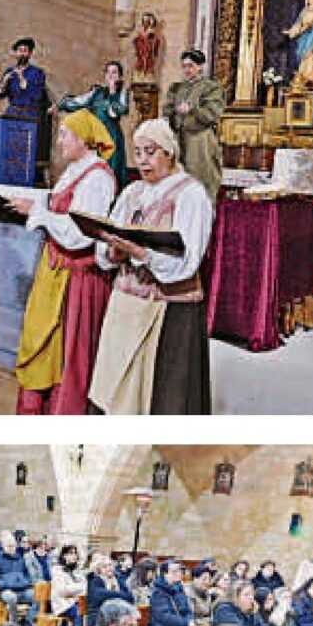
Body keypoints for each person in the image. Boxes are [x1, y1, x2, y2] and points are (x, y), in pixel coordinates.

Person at [89, 118, 214, 415]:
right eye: (138, 152)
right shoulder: (132, 192)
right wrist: (113, 251)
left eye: (151, 151)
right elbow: (105, 247)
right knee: (115, 387)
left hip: (168, 308)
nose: (143, 160)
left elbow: (188, 261)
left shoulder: (191, 194)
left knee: (161, 397)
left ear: (169, 153)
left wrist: (142, 254)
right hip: (126, 305)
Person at [11, 110, 116, 415]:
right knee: (43, 342)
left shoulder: (97, 177)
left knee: (69, 352)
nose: (58, 143)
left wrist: (38, 213)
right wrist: (36, 207)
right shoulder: (75, 170)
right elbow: (60, 207)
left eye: (64, 135)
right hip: (55, 268)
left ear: (83, 139)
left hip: (76, 278)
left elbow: (79, 234)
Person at [162, 48, 225, 203]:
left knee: (200, 182)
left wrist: (192, 109)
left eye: (190, 66)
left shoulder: (211, 87)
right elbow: (167, 109)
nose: (187, 70)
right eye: (184, 66)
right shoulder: (177, 88)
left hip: (200, 141)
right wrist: (174, 111)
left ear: (200, 66)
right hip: (178, 139)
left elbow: (212, 113)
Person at [57, 61, 131, 188]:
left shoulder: (122, 93)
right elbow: (80, 102)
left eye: (114, 72)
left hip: (111, 137)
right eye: (108, 72)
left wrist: (113, 93)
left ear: (120, 77)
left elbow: (116, 112)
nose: (111, 76)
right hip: (95, 136)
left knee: (111, 169)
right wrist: (60, 105)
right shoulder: (97, 92)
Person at [0, 531, 39, 626]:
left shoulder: (20, 559)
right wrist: (2, 584)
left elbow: (27, 574)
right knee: (11, 597)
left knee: (37, 596)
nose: (11, 548)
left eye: (13, 546)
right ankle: (14, 624)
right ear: (3, 546)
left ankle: (28, 621)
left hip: (22, 589)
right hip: (5, 591)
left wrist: (27, 582)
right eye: (8, 546)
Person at [149, 559, 199, 626]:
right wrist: (186, 624)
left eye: (180, 571)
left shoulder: (178, 589)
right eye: (174, 571)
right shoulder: (158, 592)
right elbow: (164, 617)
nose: (179, 574)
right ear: (165, 574)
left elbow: (187, 610)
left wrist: (190, 622)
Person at [0, 37, 47, 125]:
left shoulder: (38, 72)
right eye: (19, 50)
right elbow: (1, 95)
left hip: (30, 114)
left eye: (25, 51)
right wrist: (4, 82)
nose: (22, 53)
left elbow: (37, 96)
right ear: (16, 53)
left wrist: (21, 77)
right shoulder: (9, 71)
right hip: (12, 113)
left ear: (30, 54)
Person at [50, 543, 87, 626]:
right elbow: (63, 591)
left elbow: (85, 585)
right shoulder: (57, 571)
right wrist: (79, 589)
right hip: (63, 603)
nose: (74, 556)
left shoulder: (77, 571)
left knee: (87, 608)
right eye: (70, 553)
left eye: (75, 553)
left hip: (75, 601)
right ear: (64, 555)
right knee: (80, 610)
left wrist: (77, 589)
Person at [86, 553, 133, 626]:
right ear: (99, 570)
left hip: (117, 617)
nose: (109, 568)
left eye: (110, 565)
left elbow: (130, 597)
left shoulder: (118, 580)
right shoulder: (95, 581)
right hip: (98, 617)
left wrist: (112, 595)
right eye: (105, 567)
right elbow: (100, 595)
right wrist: (119, 595)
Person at [186, 561, 218, 626]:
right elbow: (190, 618)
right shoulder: (188, 593)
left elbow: (210, 613)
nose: (207, 582)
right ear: (195, 579)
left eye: (209, 579)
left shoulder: (207, 592)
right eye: (204, 579)